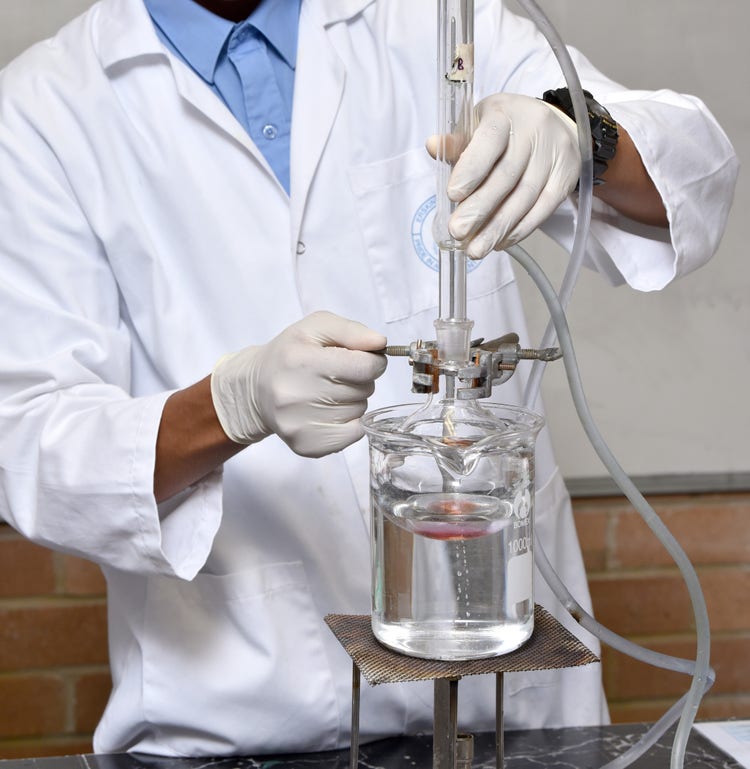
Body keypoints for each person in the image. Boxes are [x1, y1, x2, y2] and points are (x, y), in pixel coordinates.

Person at [0, 0, 737, 758]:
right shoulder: (47, 109)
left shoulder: (435, 22)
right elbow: (31, 448)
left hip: (520, 721)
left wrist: (583, 131)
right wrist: (231, 403)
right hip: (239, 725)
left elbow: (697, 178)